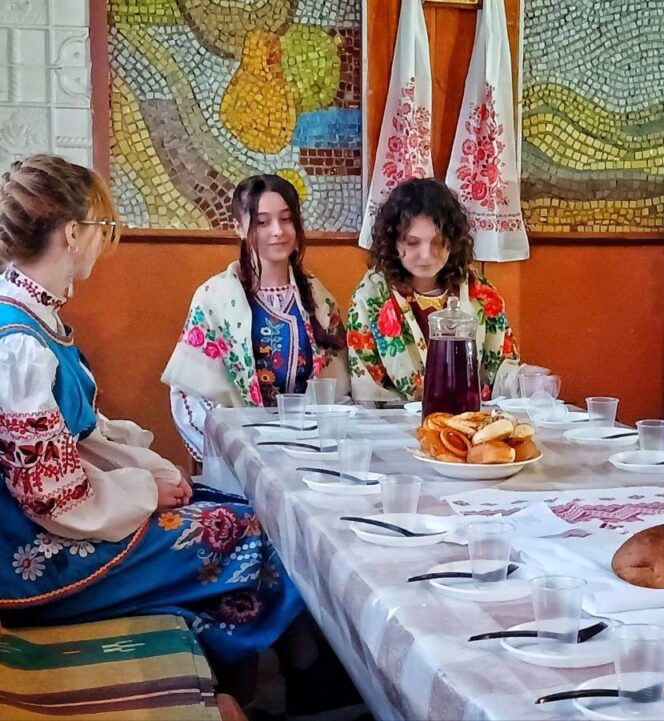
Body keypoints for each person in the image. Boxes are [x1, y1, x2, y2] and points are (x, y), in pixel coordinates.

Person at [0, 155, 306, 697]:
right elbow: (53, 497)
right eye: (100, 228)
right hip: (36, 555)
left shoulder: (32, 315)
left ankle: (261, 683)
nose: (102, 242)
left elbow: (81, 438)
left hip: (65, 516)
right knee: (248, 535)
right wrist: (145, 490)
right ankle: (263, 691)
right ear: (72, 234)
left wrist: (152, 473)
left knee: (245, 507)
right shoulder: (19, 345)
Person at [162, 174, 349, 462]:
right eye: (262, 222)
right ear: (239, 227)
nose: (278, 231)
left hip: (311, 451)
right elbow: (190, 394)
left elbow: (340, 388)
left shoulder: (318, 297)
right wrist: (239, 449)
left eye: (286, 219)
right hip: (242, 454)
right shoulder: (214, 299)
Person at [347, 177, 537, 401]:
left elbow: (501, 370)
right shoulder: (370, 298)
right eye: (412, 242)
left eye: (437, 242)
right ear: (393, 242)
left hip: (468, 418)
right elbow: (368, 390)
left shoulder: (480, 292)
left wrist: (523, 379)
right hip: (394, 421)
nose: (426, 255)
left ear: (453, 241)